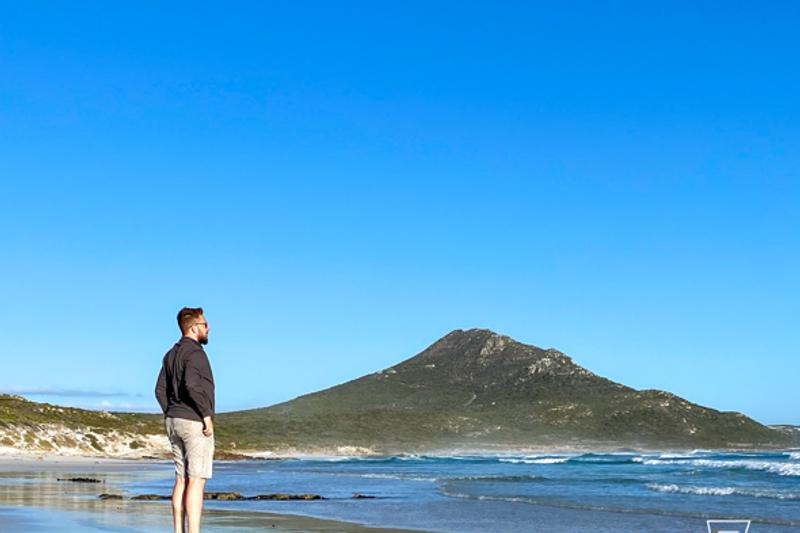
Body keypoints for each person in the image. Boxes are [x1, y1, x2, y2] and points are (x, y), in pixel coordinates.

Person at [155, 307, 216, 533]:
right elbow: (191, 385)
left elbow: (159, 390)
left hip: (174, 420)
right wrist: (206, 415)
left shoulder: (170, 354)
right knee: (196, 480)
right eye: (205, 324)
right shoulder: (196, 353)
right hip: (193, 421)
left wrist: (170, 412)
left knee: (181, 479)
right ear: (193, 328)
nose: (209, 328)